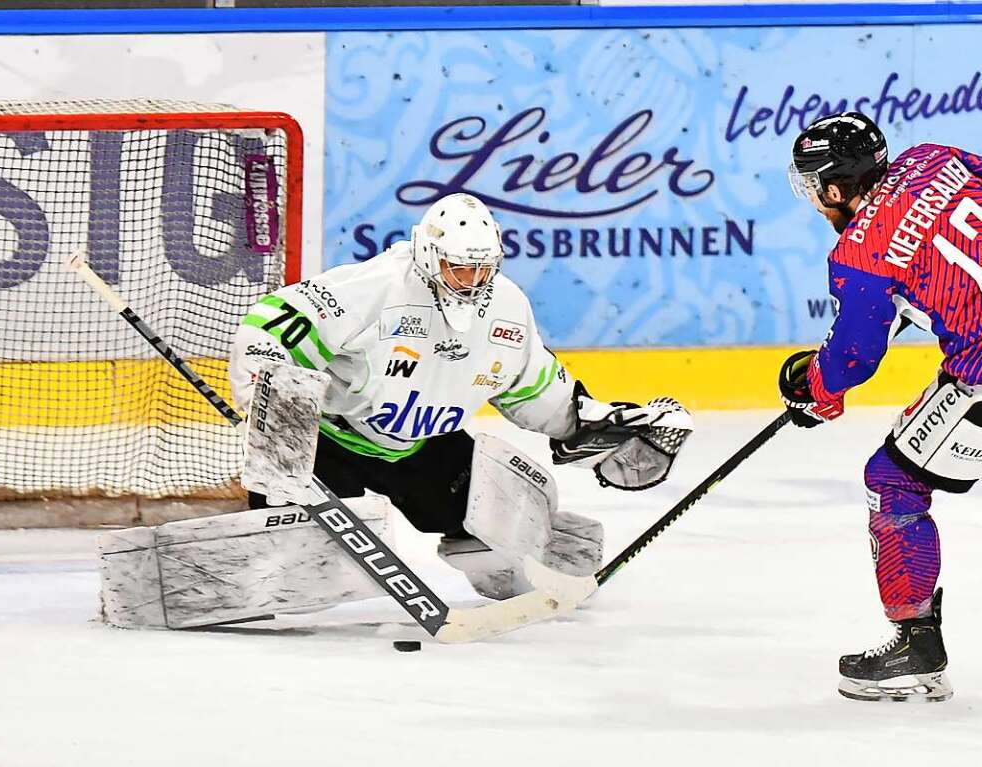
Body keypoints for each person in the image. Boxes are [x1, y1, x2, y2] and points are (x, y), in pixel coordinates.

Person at [230, 192, 692, 602]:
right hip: (324, 443)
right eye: (459, 266)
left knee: (497, 548)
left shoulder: (507, 308)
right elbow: (269, 326)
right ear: (430, 256)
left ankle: (546, 554)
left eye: (482, 268)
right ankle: (244, 560)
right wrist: (270, 404)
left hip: (423, 446)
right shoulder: (374, 287)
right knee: (295, 568)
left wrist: (601, 432)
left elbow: (537, 388)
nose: (471, 279)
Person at [781, 111, 982, 702]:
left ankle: (915, 647)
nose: (817, 202)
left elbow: (854, 358)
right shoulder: (934, 158)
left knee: (891, 480)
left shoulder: (861, 255)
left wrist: (816, 390)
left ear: (835, 188)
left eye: (815, 188)